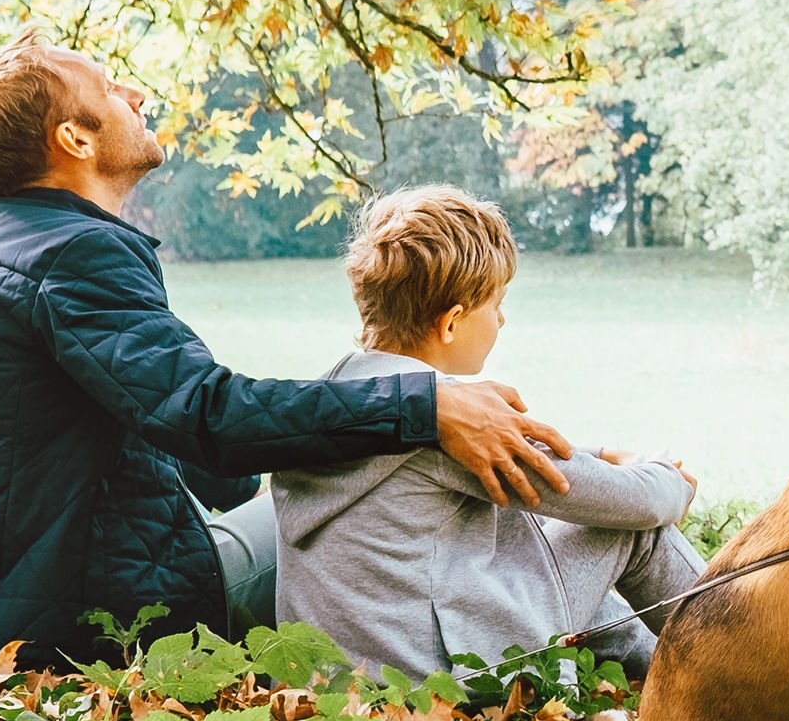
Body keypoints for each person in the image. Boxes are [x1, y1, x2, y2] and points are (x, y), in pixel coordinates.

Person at [0, 26, 575, 667]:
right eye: (111, 89)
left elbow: (179, 432)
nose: (134, 94)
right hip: (64, 625)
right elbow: (212, 418)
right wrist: (427, 405)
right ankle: (531, 645)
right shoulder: (74, 255)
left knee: (345, 484)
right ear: (75, 139)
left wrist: (277, 459)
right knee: (403, 486)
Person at [272, 187, 705, 680]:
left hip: (355, 677)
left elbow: (527, 462)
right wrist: (669, 479)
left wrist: (601, 453)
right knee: (634, 531)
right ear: (452, 322)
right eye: (496, 303)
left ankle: (659, 671)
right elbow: (635, 503)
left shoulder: (335, 402)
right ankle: (752, 666)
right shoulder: (443, 419)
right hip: (443, 678)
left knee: (538, 548)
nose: (502, 318)